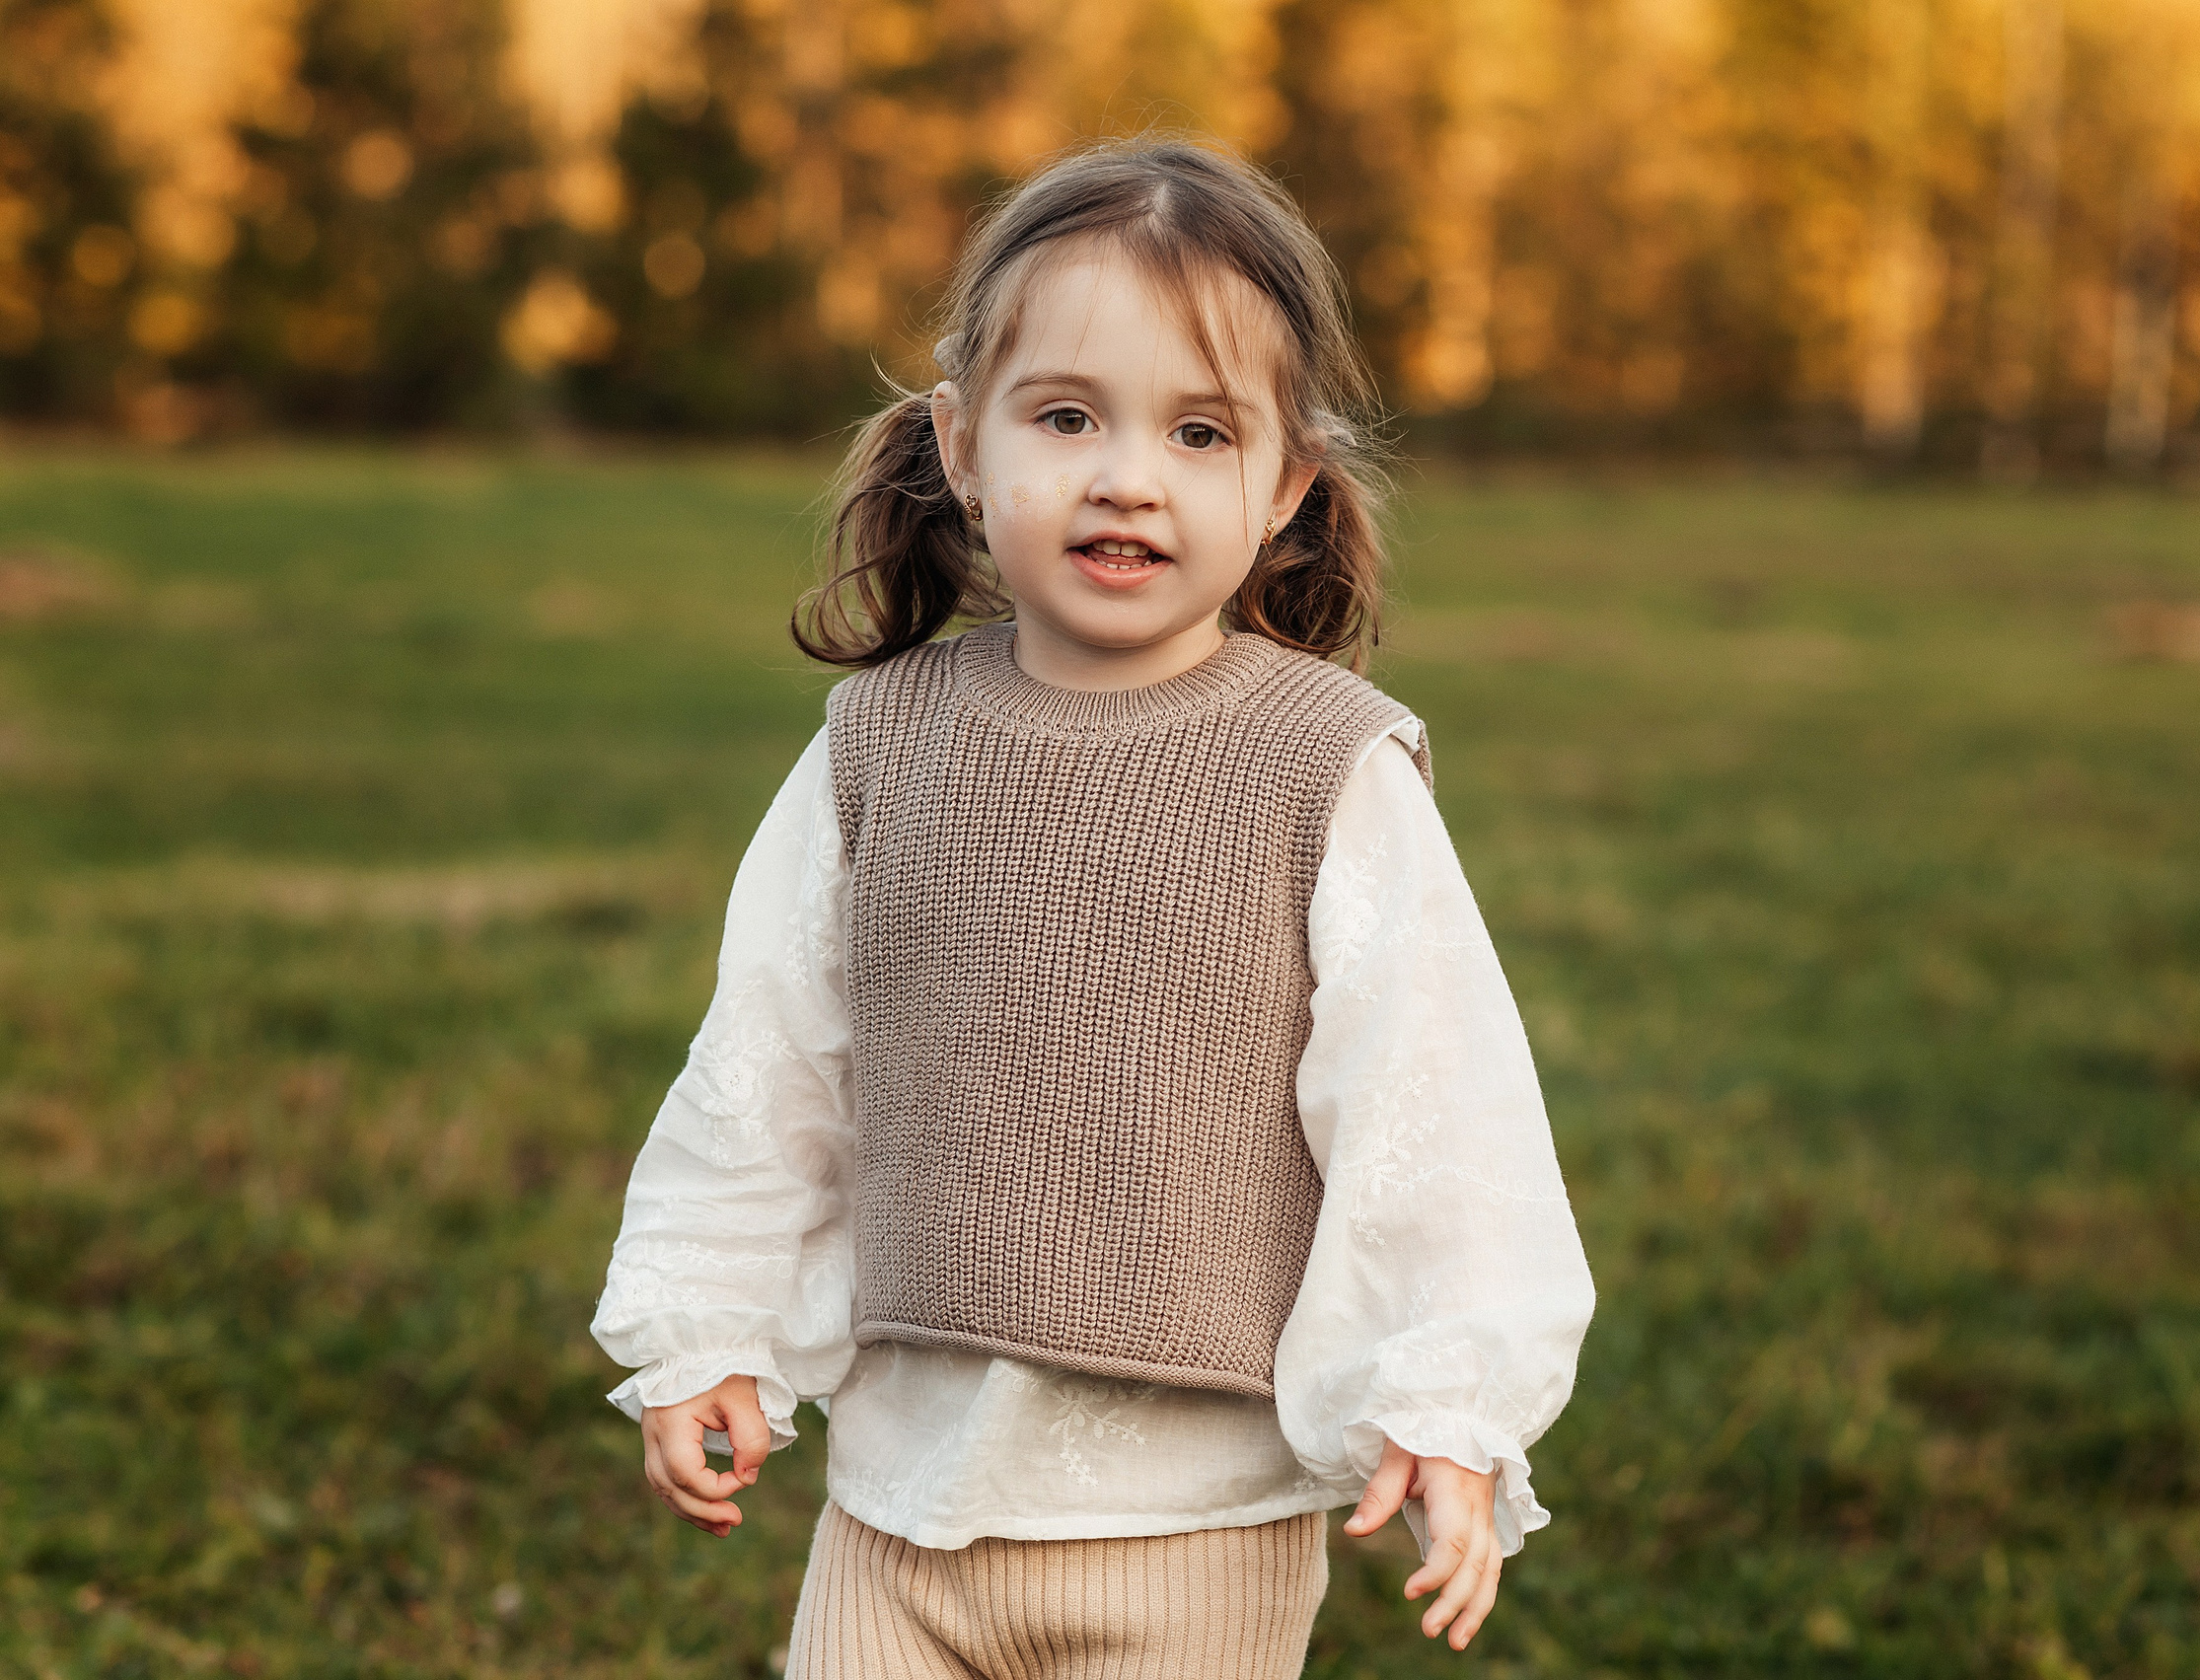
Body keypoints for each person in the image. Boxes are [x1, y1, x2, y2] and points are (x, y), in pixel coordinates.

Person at [590, 134, 1594, 1678]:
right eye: (1067, 417)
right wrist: (709, 1326)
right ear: (966, 449)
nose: (1128, 474)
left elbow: (1433, 1103)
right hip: (896, 1517)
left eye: (1201, 433)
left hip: (1197, 1530)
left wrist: (1445, 1402)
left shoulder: (1322, 769)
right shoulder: (885, 740)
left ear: (1286, 488)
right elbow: (775, 1054)